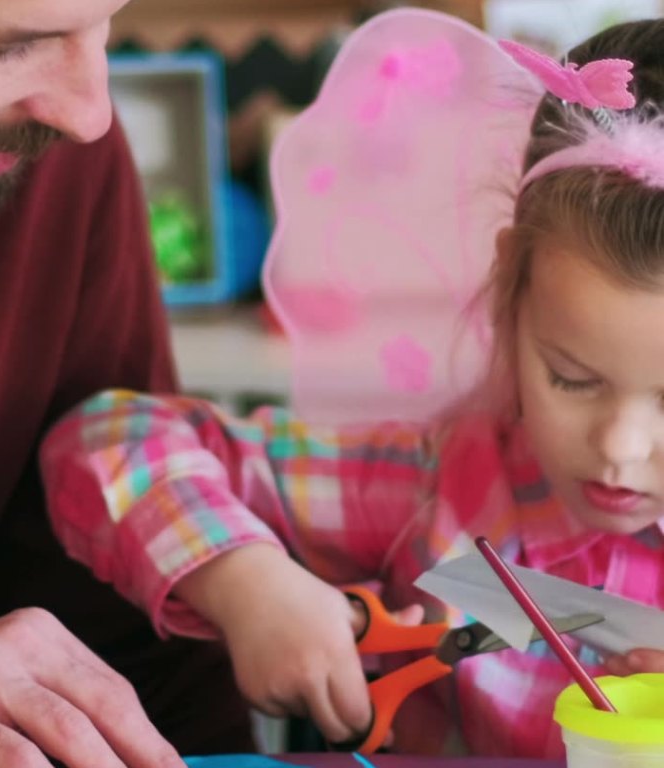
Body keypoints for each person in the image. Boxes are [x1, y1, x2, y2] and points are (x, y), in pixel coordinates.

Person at [40, 13, 664, 761]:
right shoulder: (439, 487)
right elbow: (105, 442)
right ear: (510, 289)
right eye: (571, 376)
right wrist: (245, 581)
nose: (619, 448)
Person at [0, 1, 254, 766]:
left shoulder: (49, 161)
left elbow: (118, 627)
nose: (89, 113)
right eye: (2, 46)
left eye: (106, 24)